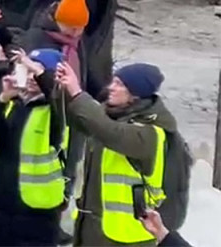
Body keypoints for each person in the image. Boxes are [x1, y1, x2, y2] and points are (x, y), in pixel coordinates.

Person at [58, 61, 184, 247]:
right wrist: (47, 81)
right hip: (92, 229)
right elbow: (78, 116)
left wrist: (77, 92)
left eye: (119, 84)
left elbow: (111, 132)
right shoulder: (108, 115)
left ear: (135, 94)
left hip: (127, 237)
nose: (111, 88)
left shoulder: (149, 133)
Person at [0, 49, 66, 246]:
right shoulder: (13, 104)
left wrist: (33, 66)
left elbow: (56, 94)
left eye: (38, 72)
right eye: (28, 71)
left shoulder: (56, 111)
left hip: (35, 210)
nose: (32, 77)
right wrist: (2, 99)